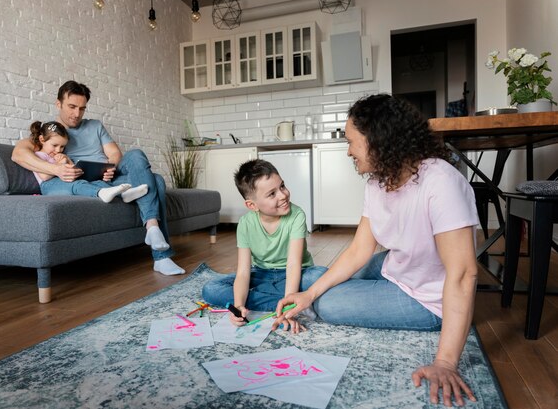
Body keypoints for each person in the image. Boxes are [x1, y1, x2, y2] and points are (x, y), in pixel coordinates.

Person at [275, 94, 480, 407]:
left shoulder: (440, 181)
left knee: (329, 304)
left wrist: (446, 363)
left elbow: (464, 272)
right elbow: (359, 249)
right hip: (398, 266)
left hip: (426, 296)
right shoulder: (377, 182)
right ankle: (306, 291)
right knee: (314, 281)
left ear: (379, 140)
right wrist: (308, 295)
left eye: (351, 142)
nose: (348, 151)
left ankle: (311, 293)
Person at [12, 80, 185, 276]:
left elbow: (114, 153)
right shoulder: (51, 133)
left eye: (82, 108)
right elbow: (18, 154)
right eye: (71, 107)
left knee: (136, 154)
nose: (76, 114)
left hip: (109, 177)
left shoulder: (95, 126)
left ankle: (152, 226)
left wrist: (110, 167)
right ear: (58, 104)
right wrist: (56, 169)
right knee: (157, 181)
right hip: (82, 181)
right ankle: (162, 257)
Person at [202, 159, 326, 333]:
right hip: (261, 274)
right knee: (211, 289)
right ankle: (294, 303)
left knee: (319, 275)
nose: (283, 195)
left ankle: (287, 302)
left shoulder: (296, 215)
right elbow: (244, 272)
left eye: (282, 186)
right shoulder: (245, 224)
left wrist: (288, 307)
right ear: (252, 205)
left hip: (296, 274)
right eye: (272, 194)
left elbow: (293, 264)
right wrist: (238, 305)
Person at [29, 120, 148, 203]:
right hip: (49, 186)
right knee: (78, 185)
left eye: (62, 147)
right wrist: (59, 165)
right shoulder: (38, 155)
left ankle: (124, 194)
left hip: (66, 181)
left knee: (92, 181)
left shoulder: (60, 155)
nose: (58, 150)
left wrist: (67, 160)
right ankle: (101, 193)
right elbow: (44, 176)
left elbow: (73, 170)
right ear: (42, 139)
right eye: (54, 145)